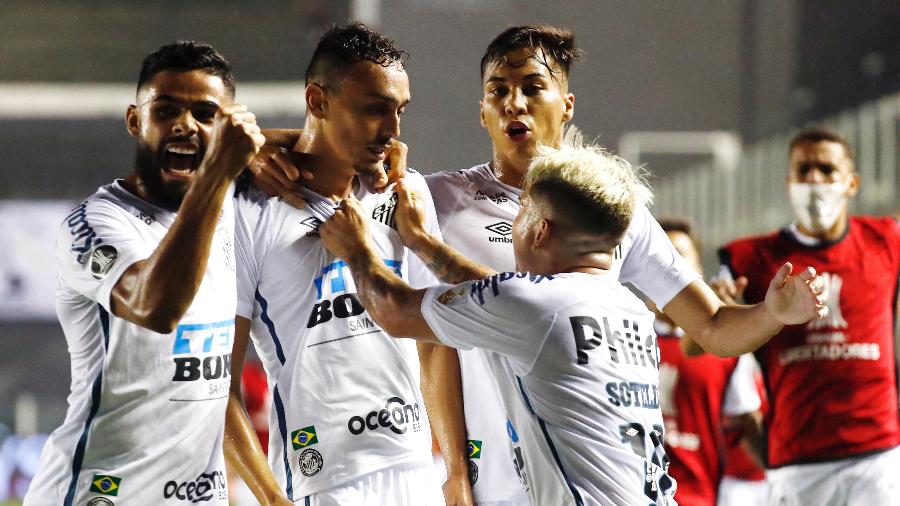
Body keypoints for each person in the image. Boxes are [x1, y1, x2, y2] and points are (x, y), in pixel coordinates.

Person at [252, 24, 827, 504]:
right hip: (495, 482)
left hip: (587, 475)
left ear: (567, 106)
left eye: (532, 87)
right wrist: (455, 471)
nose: (514, 102)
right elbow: (436, 347)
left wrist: (771, 314)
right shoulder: (436, 198)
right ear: (482, 111)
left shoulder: (612, 210)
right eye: (498, 90)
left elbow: (716, 329)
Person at [317, 133, 825, 505]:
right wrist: (427, 244)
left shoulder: (532, 304)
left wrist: (355, 248)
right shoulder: (629, 309)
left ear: (540, 232)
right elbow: (499, 296)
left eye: (519, 218)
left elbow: (393, 309)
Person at [224, 24, 465, 506]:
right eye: (374, 108)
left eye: (399, 111)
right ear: (318, 101)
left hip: (415, 471)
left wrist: (455, 471)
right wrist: (272, 500)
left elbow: (435, 344)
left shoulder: (403, 192)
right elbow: (218, 381)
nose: (393, 130)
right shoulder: (247, 210)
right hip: (320, 483)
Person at [24, 41, 264, 505]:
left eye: (205, 113)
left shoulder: (230, 201)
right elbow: (154, 306)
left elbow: (328, 149)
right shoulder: (94, 223)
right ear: (136, 120)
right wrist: (217, 172)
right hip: (102, 493)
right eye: (166, 109)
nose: (184, 125)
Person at [713, 127, 900, 505]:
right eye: (804, 170)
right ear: (789, 181)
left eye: (826, 170)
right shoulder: (750, 258)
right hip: (798, 464)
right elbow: (696, 341)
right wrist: (724, 308)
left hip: (878, 457)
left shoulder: (886, 241)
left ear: (852, 183)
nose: (814, 179)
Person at [652, 218, 763, 506]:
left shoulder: (725, 351)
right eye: (659, 256)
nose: (669, 267)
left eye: (678, 256)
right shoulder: (620, 335)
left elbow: (750, 424)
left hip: (699, 499)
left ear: (698, 272)